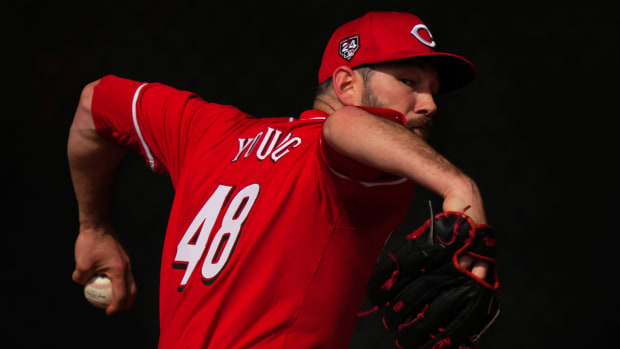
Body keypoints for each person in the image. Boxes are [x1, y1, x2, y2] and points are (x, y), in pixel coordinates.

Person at [68, 11, 491, 348]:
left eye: (433, 89)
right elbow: (344, 129)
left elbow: (93, 104)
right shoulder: (348, 167)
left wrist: (94, 228)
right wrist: (460, 186)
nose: (430, 103)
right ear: (345, 84)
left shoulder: (208, 131)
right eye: (408, 81)